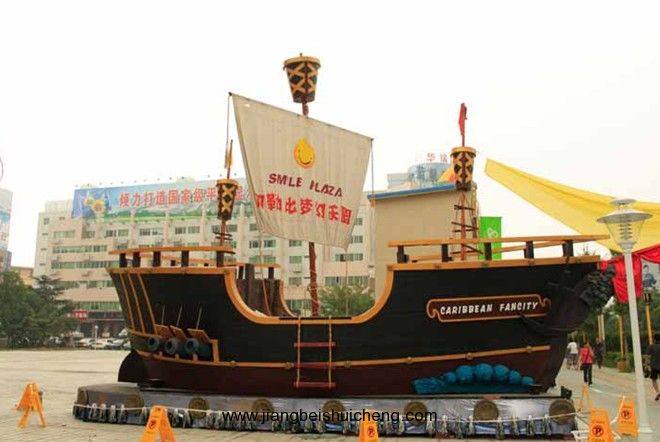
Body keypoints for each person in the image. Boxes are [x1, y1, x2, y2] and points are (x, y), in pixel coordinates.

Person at [646, 333, 660, 401]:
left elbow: (648, 357)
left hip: (654, 366)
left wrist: (647, 366)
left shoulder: (651, 346)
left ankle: (658, 392)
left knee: (654, 380)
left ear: (654, 339)